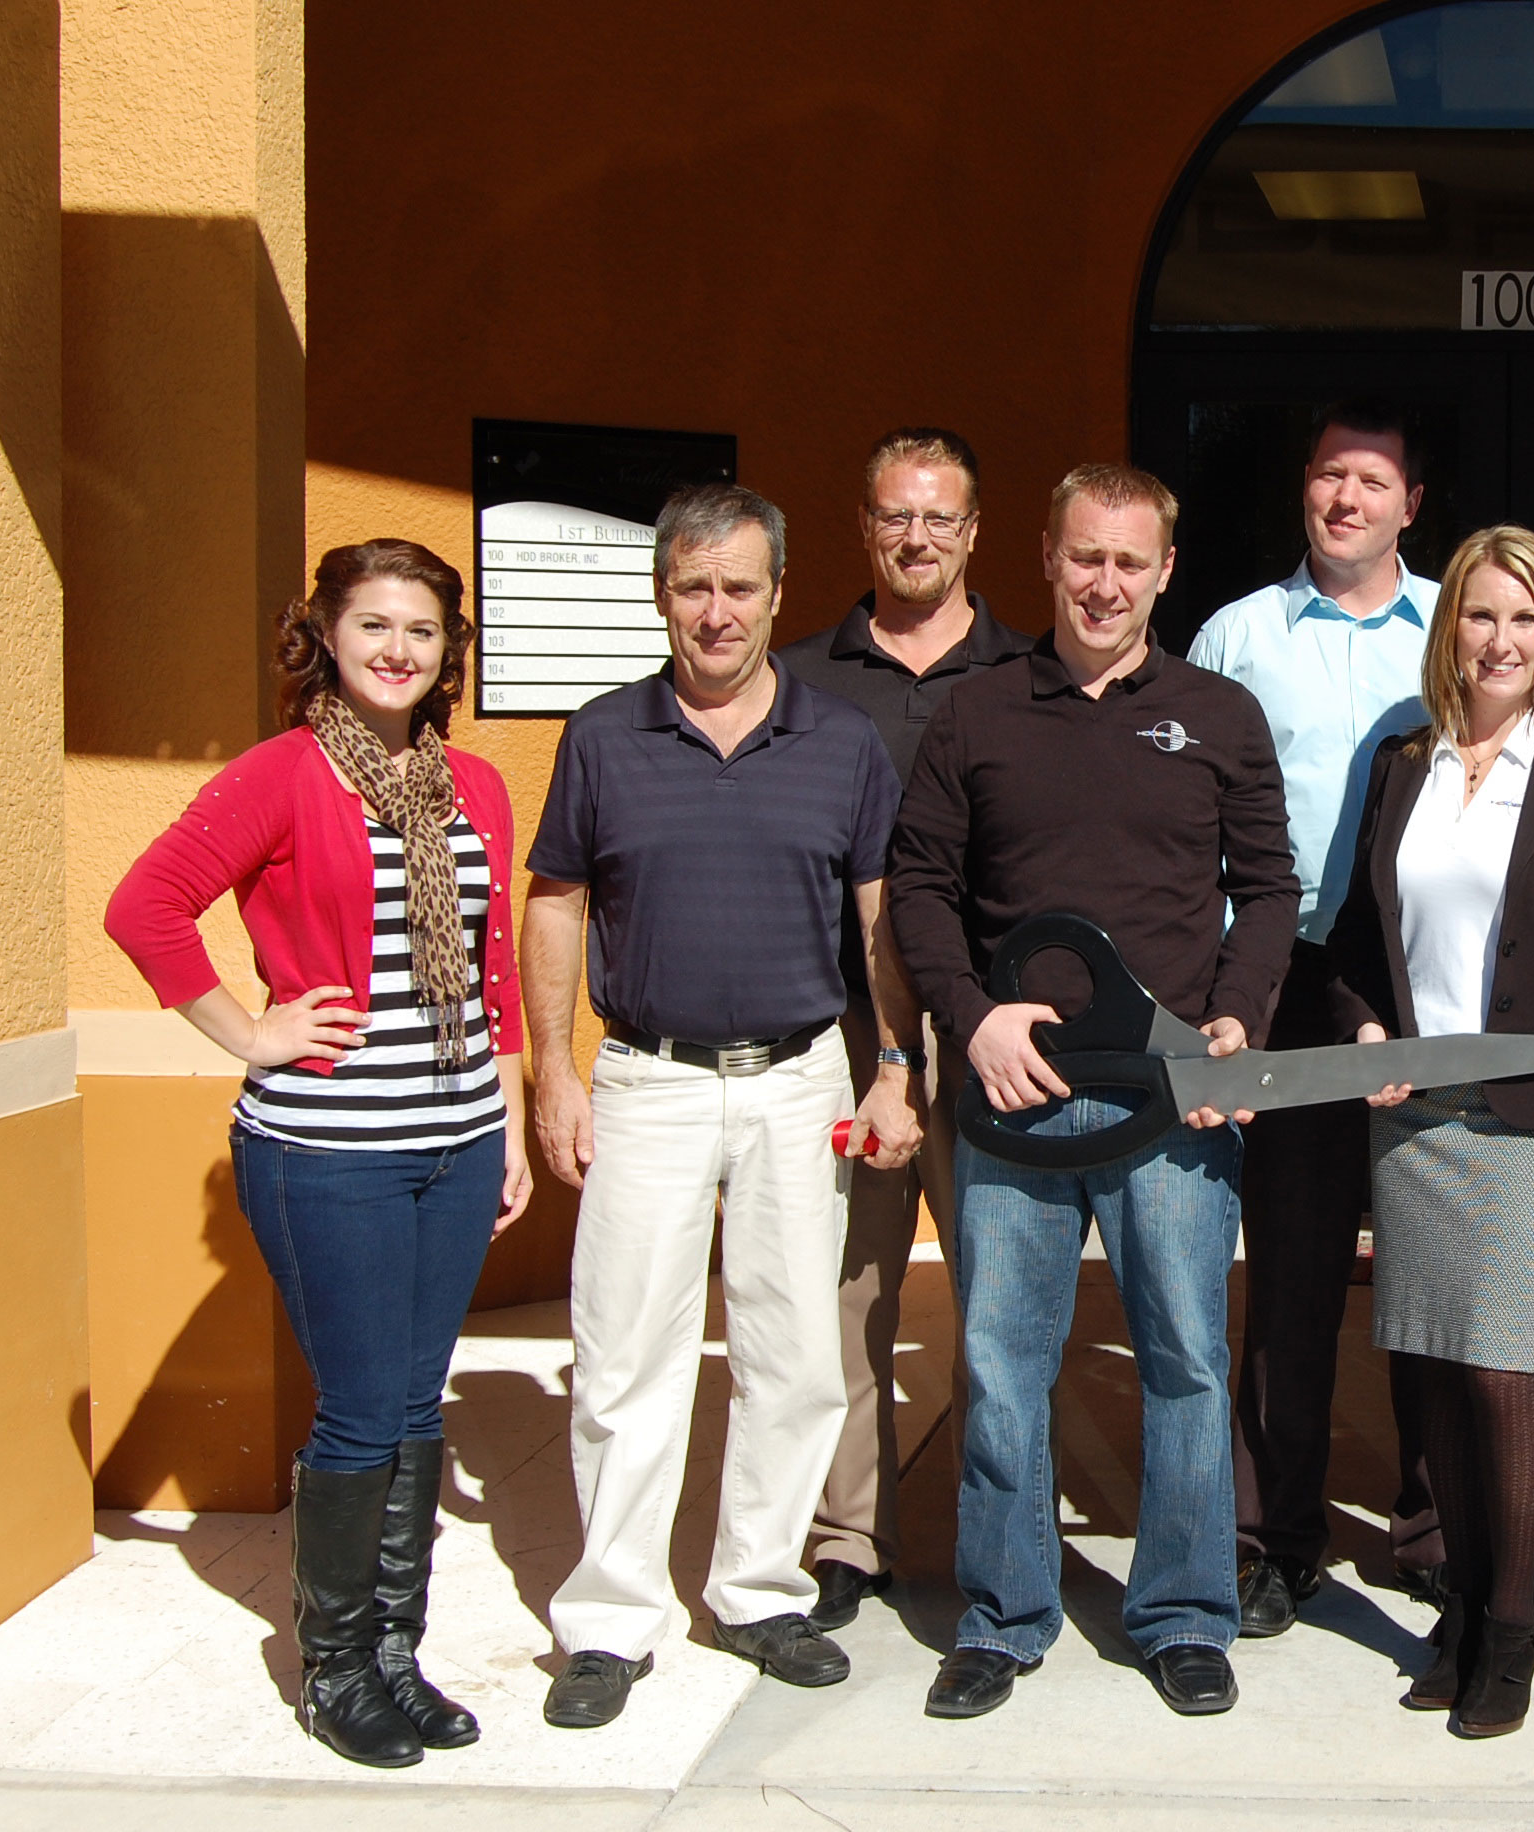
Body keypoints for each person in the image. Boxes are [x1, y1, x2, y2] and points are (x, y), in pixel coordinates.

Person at [106, 538, 531, 1769]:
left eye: (422, 629)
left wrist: (503, 1122)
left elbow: (493, 968)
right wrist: (251, 1032)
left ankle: (397, 1652)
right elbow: (144, 906)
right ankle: (334, 1667)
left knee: (415, 1400)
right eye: (373, 625)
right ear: (327, 635)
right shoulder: (282, 774)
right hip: (329, 1149)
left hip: (454, 1143)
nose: (398, 649)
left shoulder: (473, 785)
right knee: (359, 1406)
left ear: (449, 650)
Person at [891, 462, 1299, 1722]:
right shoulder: (974, 712)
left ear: (1165, 570)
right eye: (1084, 556)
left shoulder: (1218, 713)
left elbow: (1268, 887)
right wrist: (971, 1017)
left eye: (1129, 561)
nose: (1104, 583)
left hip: (1170, 1097)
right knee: (1002, 1360)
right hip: (1014, 1094)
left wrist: (1236, 1015)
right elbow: (920, 887)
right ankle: (1003, 1613)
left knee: (1184, 1358)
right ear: (1047, 556)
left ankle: (1182, 1610)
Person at [521, 484, 924, 1729]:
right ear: (662, 594)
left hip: (801, 1079)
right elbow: (554, 903)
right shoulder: (602, 735)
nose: (715, 611)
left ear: (775, 593)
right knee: (624, 1354)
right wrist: (550, 1069)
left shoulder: (841, 740)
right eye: (693, 586)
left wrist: (895, 1062)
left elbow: (877, 917)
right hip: (648, 1078)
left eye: (738, 587)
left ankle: (757, 1590)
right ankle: (610, 1618)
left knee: (793, 1352)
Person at [1325, 525, 1534, 1737]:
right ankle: (1461, 1604)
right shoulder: (1402, 763)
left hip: (1523, 1116)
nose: (1500, 639)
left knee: (1501, 1368)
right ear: (1448, 628)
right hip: (1413, 1114)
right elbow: (1357, 940)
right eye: (1478, 614)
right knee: (1427, 1369)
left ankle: (1512, 1622)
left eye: (1523, 617)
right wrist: (1363, 1026)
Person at [1187, 400, 1443, 1632]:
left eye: (1372, 479)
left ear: (1410, 503)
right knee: (1289, 1269)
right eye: (1331, 474)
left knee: (1433, 1263)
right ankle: (1272, 1534)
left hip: (1423, 978)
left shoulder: (1461, 624)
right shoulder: (1235, 635)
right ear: (1305, 485)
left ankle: (1434, 1524)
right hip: (1284, 979)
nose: (1347, 498)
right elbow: (1192, 818)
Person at [783, 427, 1032, 1632]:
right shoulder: (799, 677)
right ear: (864, 524)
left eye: (940, 516)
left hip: (989, 1030)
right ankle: (849, 1536)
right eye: (896, 514)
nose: (917, 536)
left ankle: (999, 1532)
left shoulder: (1028, 673)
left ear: (974, 531)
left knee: (1001, 1294)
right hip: (842, 1026)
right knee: (848, 1289)